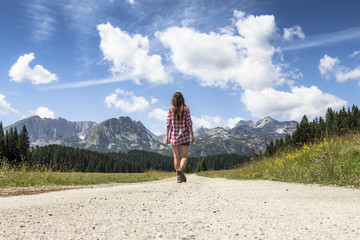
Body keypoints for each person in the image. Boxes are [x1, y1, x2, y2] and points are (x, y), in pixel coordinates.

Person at [166, 92, 195, 183]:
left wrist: (167, 136)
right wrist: (192, 135)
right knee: (184, 156)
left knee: (176, 157)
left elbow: (168, 124)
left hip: (174, 136)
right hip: (185, 136)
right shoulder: (186, 109)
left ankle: (178, 176)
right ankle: (181, 168)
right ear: (182, 99)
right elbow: (189, 123)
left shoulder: (171, 109)